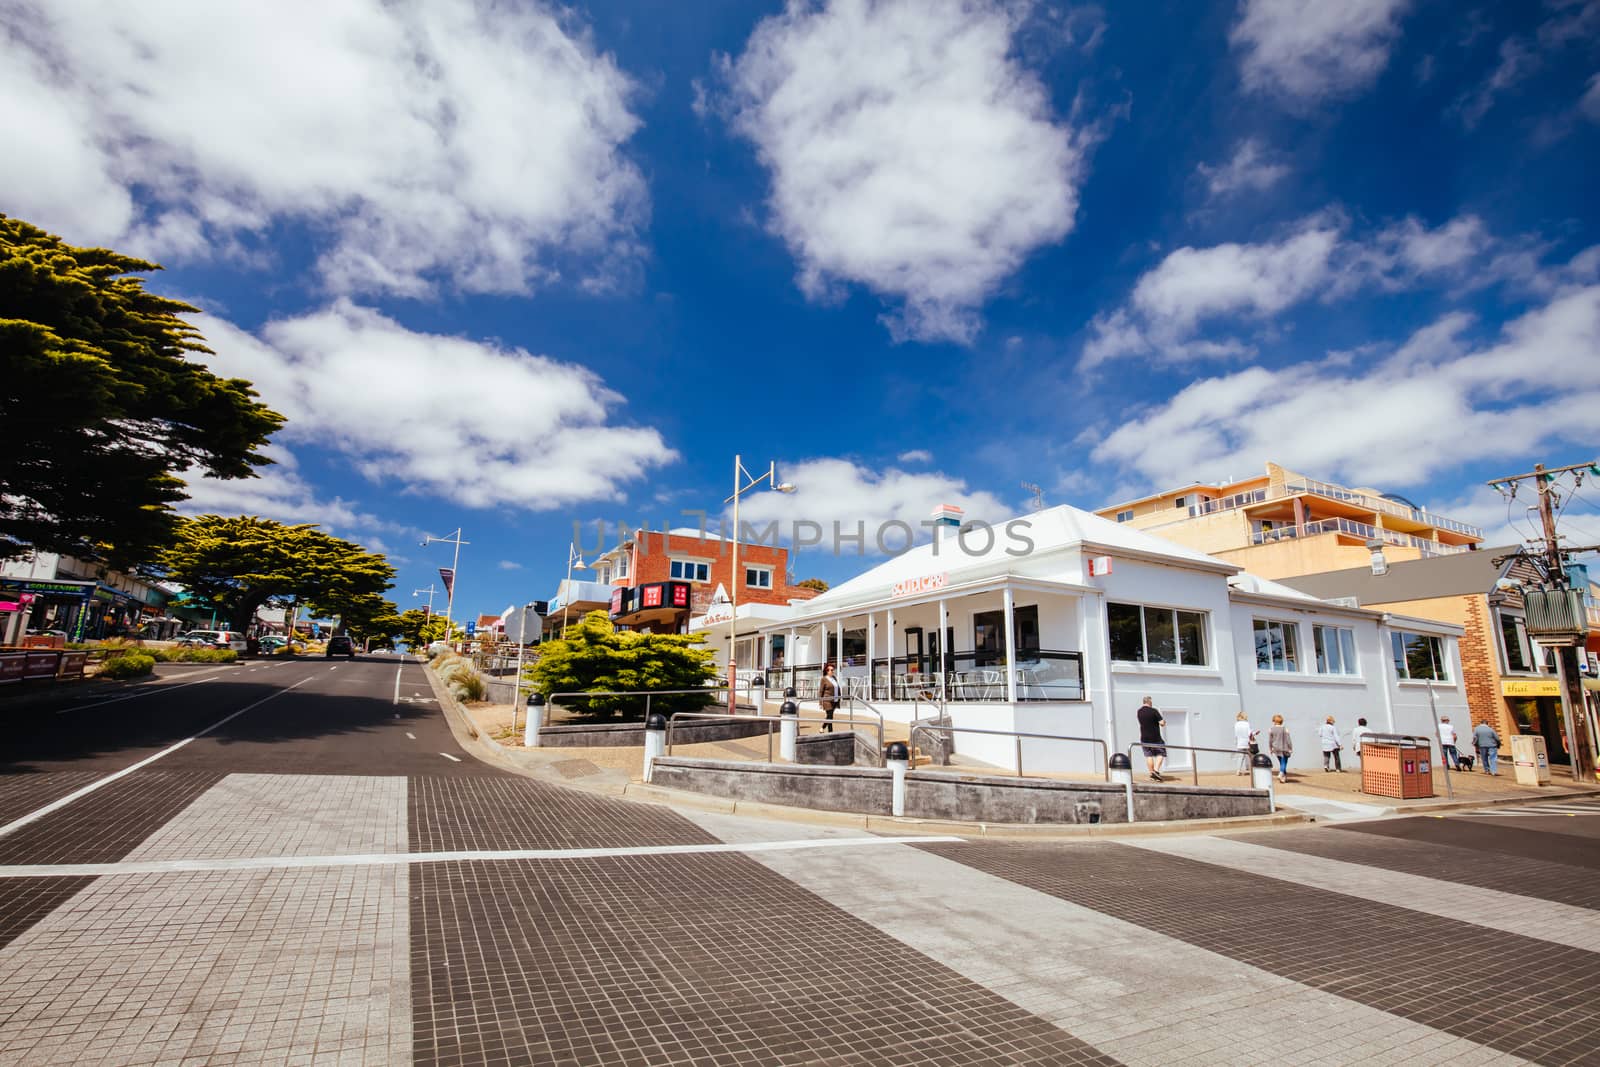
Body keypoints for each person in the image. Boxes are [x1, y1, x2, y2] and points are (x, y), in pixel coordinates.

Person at [1136, 696, 1167, 782]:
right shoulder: (1154, 711)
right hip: (1155, 737)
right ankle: (1156, 771)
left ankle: (1152, 773)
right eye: (1151, 701)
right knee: (1161, 753)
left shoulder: (1139, 712)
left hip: (1144, 738)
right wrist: (1164, 722)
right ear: (1149, 702)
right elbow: (1161, 723)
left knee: (1148, 755)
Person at [818, 662, 842, 733]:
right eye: (830, 670)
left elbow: (837, 687)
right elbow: (821, 691)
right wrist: (820, 702)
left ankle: (826, 730)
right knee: (830, 716)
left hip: (835, 700)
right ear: (826, 671)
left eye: (832, 670)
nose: (832, 671)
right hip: (827, 700)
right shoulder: (824, 679)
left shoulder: (834, 678)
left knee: (829, 716)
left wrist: (839, 698)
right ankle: (828, 731)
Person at [1268, 714, 1293, 783]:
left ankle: (1283, 778)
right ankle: (1281, 773)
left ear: (1274, 721)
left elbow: (1270, 740)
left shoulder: (1271, 729)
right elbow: (1288, 739)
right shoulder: (1285, 729)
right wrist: (1291, 748)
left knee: (1281, 763)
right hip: (1284, 748)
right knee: (1284, 762)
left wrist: (1270, 748)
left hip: (1276, 748)